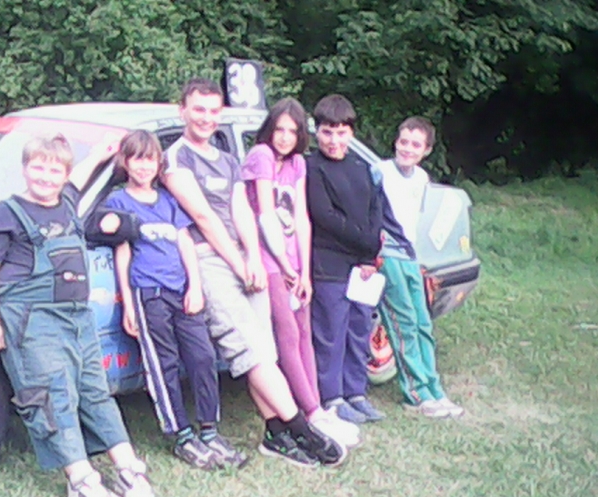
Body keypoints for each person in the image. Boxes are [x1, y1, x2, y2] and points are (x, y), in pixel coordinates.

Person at [163, 78, 343, 468]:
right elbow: (203, 218)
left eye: (213, 111)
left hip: (244, 258)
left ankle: (275, 434)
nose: (206, 118)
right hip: (210, 259)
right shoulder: (175, 158)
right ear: (182, 111)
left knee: (263, 350)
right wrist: (238, 262)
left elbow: (240, 210)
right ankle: (303, 430)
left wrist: (254, 258)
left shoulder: (228, 159)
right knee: (250, 349)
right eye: (198, 109)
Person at [0, 134, 156, 497]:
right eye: (37, 167)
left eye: (55, 170)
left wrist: (100, 154)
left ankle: (126, 467)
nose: (46, 176)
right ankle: (81, 480)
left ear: (64, 174)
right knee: (52, 396)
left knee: (95, 391)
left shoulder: (67, 202)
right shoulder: (6, 213)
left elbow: (79, 178)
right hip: (32, 319)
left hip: (77, 317)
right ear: (24, 168)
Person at [93, 129, 246, 470]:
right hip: (149, 293)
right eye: (137, 159)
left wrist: (195, 286)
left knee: (203, 356)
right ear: (125, 162)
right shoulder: (119, 202)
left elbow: (185, 242)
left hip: (181, 290)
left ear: (159, 163)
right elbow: (122, 252)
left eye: (150, 159)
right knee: (164, 363)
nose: (144, 166)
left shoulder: (167, 200)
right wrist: (129, 303)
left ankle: (209, 430)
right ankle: (181, 434)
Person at [240, 98, 360, 450]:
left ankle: (317, 408)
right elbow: (265, 215)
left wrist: (304, 271)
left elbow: (302, 218)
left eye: (292, 132)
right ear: (269, 129)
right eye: (279, 129)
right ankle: (310, 412)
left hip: (294, 262)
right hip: (269, 260)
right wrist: (285, 266)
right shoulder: (261, 155)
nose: (284, 137)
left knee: (304, 333)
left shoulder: (297, 164)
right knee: (288, 334)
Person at [306, 94, 413, 425]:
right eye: (327, 133)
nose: (334, 141)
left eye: (341, 133)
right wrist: (367, 241)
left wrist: (370, 255)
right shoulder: (312, 167)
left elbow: (375, 210)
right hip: (328, 265)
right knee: (331, 333)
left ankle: (355, 393)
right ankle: (332, 398)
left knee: (358, 330)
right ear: (316, 132)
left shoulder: (362, 167)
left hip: (363, 265)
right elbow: (324, 215)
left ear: (351, 132)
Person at [376, 117, 464, 418]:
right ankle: (416, 395)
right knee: (404, 325)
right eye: (403, 142)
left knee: (423, 324)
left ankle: (434, 389)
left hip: (411, 258)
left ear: (426, 150)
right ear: (395, 142)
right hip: (387, 256)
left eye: (415, 145)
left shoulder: (421, 179)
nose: (407, 149)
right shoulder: (380, 172)